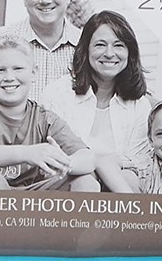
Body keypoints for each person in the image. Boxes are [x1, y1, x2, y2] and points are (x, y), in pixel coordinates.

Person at [0, 34, 99, 191]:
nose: (9, 77)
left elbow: (88, 158)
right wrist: (29, 153)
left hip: (28, 198)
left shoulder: (44, 119)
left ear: (34, 73)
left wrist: (61, 163)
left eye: (18, 69)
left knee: (85, 181)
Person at [42, 11, 153, 193]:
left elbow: (138, 163)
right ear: (85, 50)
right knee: (85, 181)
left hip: (119, 184)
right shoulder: (58, 94)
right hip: (71, 182)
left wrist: (103, 165)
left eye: (119, 45)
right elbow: (54, 154)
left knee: (129, 178)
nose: (109, 54)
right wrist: (97, 163)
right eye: (100, 45)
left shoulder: (139, 105)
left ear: (130, 52)